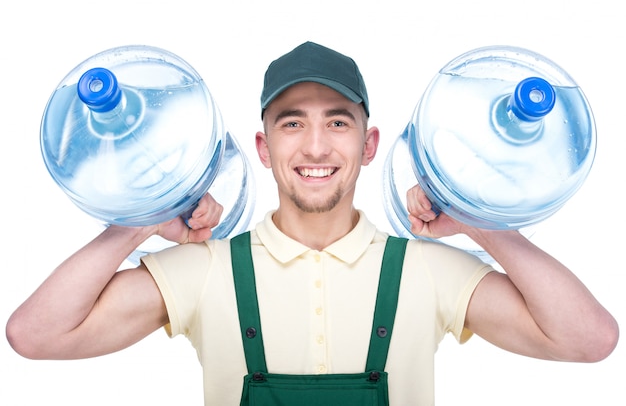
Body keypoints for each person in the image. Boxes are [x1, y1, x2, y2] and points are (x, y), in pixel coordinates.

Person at [6, 41, 619, 405]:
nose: (317, 147)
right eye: (292, 122)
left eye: (339, 121)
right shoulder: (205, 269)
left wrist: (479, 222)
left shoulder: (427, 270)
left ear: (370, 142)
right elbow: (35, 337)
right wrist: (143, 217)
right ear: (263, 146)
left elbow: (589, 341)